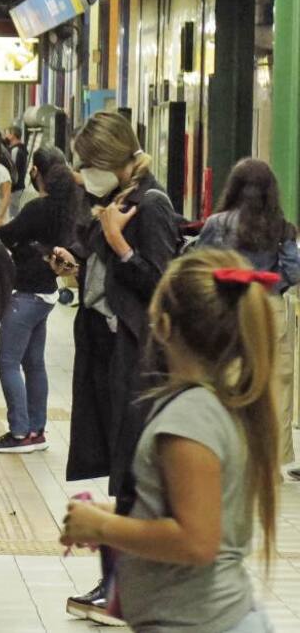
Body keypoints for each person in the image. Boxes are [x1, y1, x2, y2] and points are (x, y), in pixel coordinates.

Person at [61, 248, 280, 633]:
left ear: (161, 324)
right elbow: (192, 511)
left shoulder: (189, 419)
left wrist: (103, 527)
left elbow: (196, 540)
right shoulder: (213, 404)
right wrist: (119, 514)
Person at [47, 112, 179, 624]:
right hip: (107, 351)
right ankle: (118, 585)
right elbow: (118, 285)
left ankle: (126, 590)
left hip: (140, 358)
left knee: (134, 474)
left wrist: (120, 245)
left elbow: (163, 286)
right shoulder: (116, 203)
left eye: (89, 162)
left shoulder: (153, 205)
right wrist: (79, 267)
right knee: (122, 471)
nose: (82, 173)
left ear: (113, 159)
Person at [196, 158, 300, 479]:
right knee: (276, 385)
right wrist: (270, 284)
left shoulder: (217, 224)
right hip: (269, 308)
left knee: (229, 379)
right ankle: (269, 460)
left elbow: (199, 262)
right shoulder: (281, 227)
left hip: (230, 305)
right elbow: (294, 270)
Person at [0, 152, 72, 454]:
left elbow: (9, 234)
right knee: (34, 363)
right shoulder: (67, 208)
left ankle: (19, 432)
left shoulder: (38, 208)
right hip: (47, 293)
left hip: (26, 293)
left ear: (37, 171)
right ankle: (37, 430)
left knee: (6, 361)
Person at [5, 125, 29, 216]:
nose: (5, 136)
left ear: (13, 135)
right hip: (19, 186)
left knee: (13, 213)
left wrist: (10, 185)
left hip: (15, 188)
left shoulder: (15, 150)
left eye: (7, 134)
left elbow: (13, 170)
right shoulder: (21, 149)